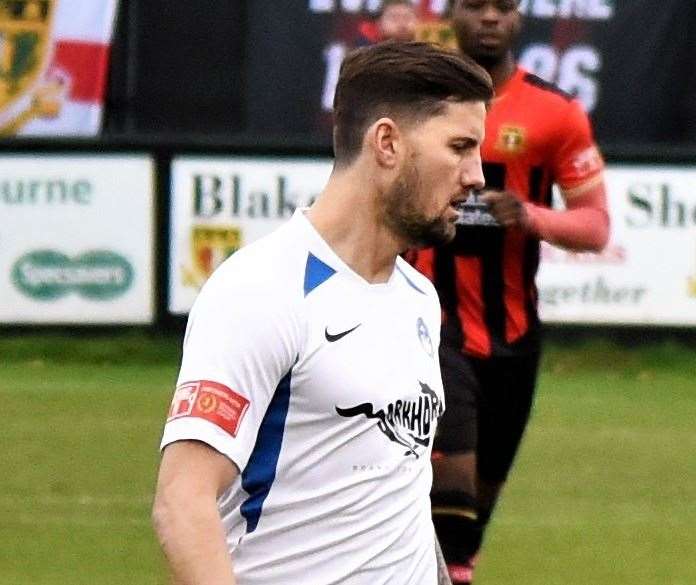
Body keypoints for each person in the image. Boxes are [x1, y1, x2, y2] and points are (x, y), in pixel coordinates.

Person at [152, 41, 493, 585]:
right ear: (387, 142)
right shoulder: (263, 289)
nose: (476, 175)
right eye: (460, 147)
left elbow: (396, 490)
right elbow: (182, 499)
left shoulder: (417, 298)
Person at [411, 2, 610, 583]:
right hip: (433, 326)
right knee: (451, 493)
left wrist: (527, 216)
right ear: (451, 13)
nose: (490, 18)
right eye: (476, 5)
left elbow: (595, 227)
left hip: (514, 336)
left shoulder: (557, 112)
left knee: (476, 507)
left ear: (520, 18)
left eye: (503, 6)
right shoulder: (421, 100)